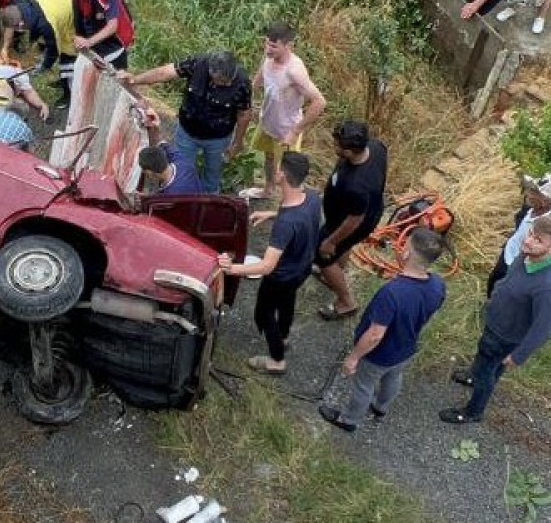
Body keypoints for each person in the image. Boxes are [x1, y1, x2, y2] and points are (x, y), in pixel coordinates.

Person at [441, 214, 551, 423]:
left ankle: (473, 412)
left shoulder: (550, 287)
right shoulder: (529, 253)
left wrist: (518, 356)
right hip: (496, 323)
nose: (528, 241)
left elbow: (543, 329)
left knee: (487, 373)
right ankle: (473, 376)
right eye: (530, 233)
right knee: (484, 360)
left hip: (506, 337)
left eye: (538, 240)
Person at [318, 228, 447, 432]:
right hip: (406, 348)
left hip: (379, 355)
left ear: (407, 254)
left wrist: (353, 358)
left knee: (364, 385)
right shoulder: (438, 284)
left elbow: (375, 335)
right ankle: (380, 407)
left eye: (405, 244)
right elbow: (431, 313)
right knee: (394, 377)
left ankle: (349, 420)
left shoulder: (392, 293)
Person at [218, 152, 322, 374]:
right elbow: (301, 218)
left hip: (281, 276)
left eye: (278, 169)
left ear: (282, 175)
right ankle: (283, 336)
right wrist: (272, 213)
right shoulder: (312, 197)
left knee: (264, 314)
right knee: (287, 302)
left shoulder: (286, 223)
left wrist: (231, 268)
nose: (275, 171)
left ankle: (277, 360)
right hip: (301, 268)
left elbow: (266, 266)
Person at [119, 51, 252, 194]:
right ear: (212, 75)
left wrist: (237, 143)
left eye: (231, 80)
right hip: (187, 133)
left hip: (218, 138)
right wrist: (134, 80)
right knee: (180, 170)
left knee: (213, 174)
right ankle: (179, 200)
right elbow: (164, 73)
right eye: (224, 82)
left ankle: (209, 200)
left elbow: (244, 114)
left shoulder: (242, 83)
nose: (229, 84)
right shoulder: (197, 64)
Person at [240, 23, 326, 201]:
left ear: (288, 46)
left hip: (287, 129)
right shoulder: (268, 58)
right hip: (267, 122)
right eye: (266, 44)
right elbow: (258, 79)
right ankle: (268, 190)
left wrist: (295, 132)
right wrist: (244, 97)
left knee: (288, 173)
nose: (268, 49)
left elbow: (319, 102)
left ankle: (289, 206)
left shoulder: (294, 71)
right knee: (268, 158)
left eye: (273, 46)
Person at [314, 121, 389, 320]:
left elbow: (353, 222)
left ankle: (346, 302)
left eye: (338, 146)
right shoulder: (376, 147)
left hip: (349, 223)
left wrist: (330, 242)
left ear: (349, 151)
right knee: (341, 248)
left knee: (322, 255)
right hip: (359, 212)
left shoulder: (358, 185)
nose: (334, 147)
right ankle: (336, 271)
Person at [63, 0, 135, 109]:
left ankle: (126, 111)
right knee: (96, 79)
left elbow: (112, 26)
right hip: (95, 40)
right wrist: (78, 36)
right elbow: (79, 15)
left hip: (115, 44)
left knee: (118, 83)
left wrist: (89, 42)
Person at [485, 172, 551, 297]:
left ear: (546, 201)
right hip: (508, 253)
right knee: (494, 282)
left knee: (507, 294)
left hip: (522, 266)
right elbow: (520, 220)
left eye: (534, 193)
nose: (528, 194)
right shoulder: (530, 206)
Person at [0, 0, 78, 76]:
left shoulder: (46, 24)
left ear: (20, 24)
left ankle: (71, 72)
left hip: (75, 5)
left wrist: (45, 66)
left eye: (15, 29)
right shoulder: (25, 5)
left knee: (68, 45)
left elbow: (54, 49)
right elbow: (34, 26)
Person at [137, 108, 206, 196]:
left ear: (150, 173)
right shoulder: (181, 161)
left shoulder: (168, 196)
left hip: (187, 208)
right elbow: (161, 144)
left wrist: (147, 199)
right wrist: (156, 127)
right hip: (200, 201)